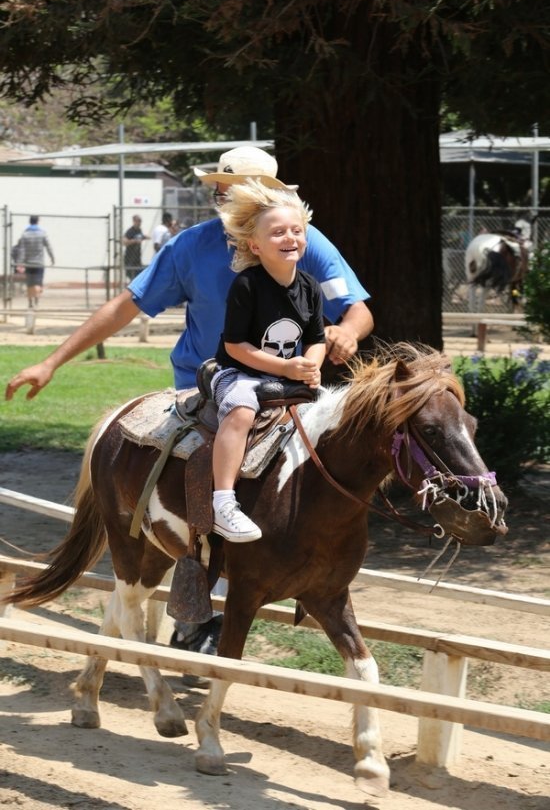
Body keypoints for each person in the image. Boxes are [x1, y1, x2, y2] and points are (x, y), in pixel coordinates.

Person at [5, 146, 374, 664]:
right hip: (209, 383)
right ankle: (194, 590)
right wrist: (53, 361)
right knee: (203, 463)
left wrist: (345, 332)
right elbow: (127, 305)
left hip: (291, 385)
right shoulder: (191, 247)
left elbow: (355, 308)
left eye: (225, 188)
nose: (216, 196)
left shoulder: (297, 238)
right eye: (217, 188)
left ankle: (312, 569)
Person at [211, 180, 326, 542]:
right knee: (242, 411)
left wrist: (310, 365)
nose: (289, 237)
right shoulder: (247, 284)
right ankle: (223, 501)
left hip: (286, 374)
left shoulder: (309, 286)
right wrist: (286, 368)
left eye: (296, 230)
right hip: (237, 371)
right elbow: (234, 345)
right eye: (277, 233)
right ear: (255, 245)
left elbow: (316, 340)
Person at [13, 215, 55, 308]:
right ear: (38, 221)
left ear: (29, 222)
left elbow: (21, 250)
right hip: (39, 263)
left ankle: (30, 302)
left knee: (29, 283)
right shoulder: (42, 234)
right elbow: (49, 247)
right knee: (38, 282)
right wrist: (52, 258)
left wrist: (20, 262)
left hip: (28, 263)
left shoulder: (25, 234)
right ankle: (37, 300)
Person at [123, 215, 149, 280]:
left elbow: (140, 236)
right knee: (132, 278)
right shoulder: (130, 231)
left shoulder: (139, 230)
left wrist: (145, 237)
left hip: (137, 258)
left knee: (138, 277)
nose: (140, 223)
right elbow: (125, 242)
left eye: (140, 221)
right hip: (130, 259)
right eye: (138, 221)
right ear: (134, 221)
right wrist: (135, 241)